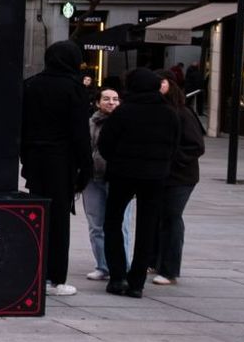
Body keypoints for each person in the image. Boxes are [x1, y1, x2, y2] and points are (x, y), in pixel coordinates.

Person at [97, 68, 180, 299]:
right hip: (155, 176)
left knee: (112, 222)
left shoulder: (124, 112)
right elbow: (175, 145)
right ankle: (136, 282)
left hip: (123, 174)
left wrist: (117, 161)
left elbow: (105, 143)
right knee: (147, 226)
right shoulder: (169, 113)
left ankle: (117, 277)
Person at [19, 41, 93, 297]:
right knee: (59, 219)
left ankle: (35, 272)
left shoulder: (31, 84)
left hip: (34, 159)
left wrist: (25, 155)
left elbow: (21, 125)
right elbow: (80, 133)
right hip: (61, 161)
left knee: (38, 214)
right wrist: (86, 166)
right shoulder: (73, 88)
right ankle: (56, 277)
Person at [152, 76, 205, 285]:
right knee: (158, 217)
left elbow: (196, 146)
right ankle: (154, 260)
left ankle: (169, 269)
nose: (158, 86)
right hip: (160, 174)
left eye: (162, 82)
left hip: (180, 176)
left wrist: (169, 159)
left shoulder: (182, 112)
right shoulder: (156, 111)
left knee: (171, 217)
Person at [82, 87, 132, 283]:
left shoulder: (126, 122)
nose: (111, 102)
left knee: (122, 224)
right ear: (97, 102)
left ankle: (122, 266)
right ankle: (103, 266)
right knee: (96, 224)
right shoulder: (89, 123)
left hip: (118, 179)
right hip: (92, 179)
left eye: (115, 99)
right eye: (106, 99)